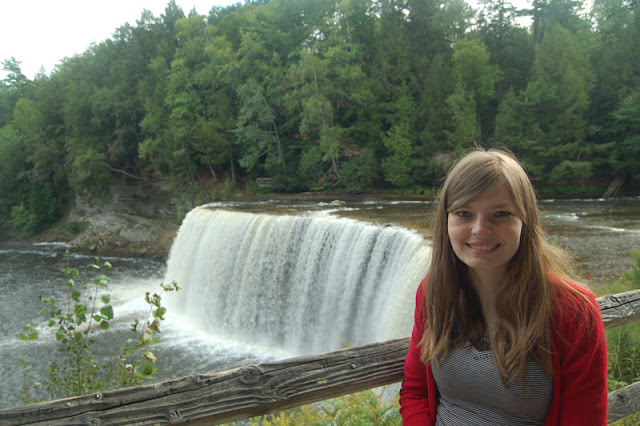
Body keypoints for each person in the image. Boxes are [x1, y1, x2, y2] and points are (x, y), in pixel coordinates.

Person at [399, 149, 608, 425]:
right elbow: (415, 392)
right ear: (446, 220)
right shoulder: (434, 293)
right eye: (464, 213)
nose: (480, 229)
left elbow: (584, 418)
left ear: (525, 221)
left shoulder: (571, 310)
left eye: (500, 214)